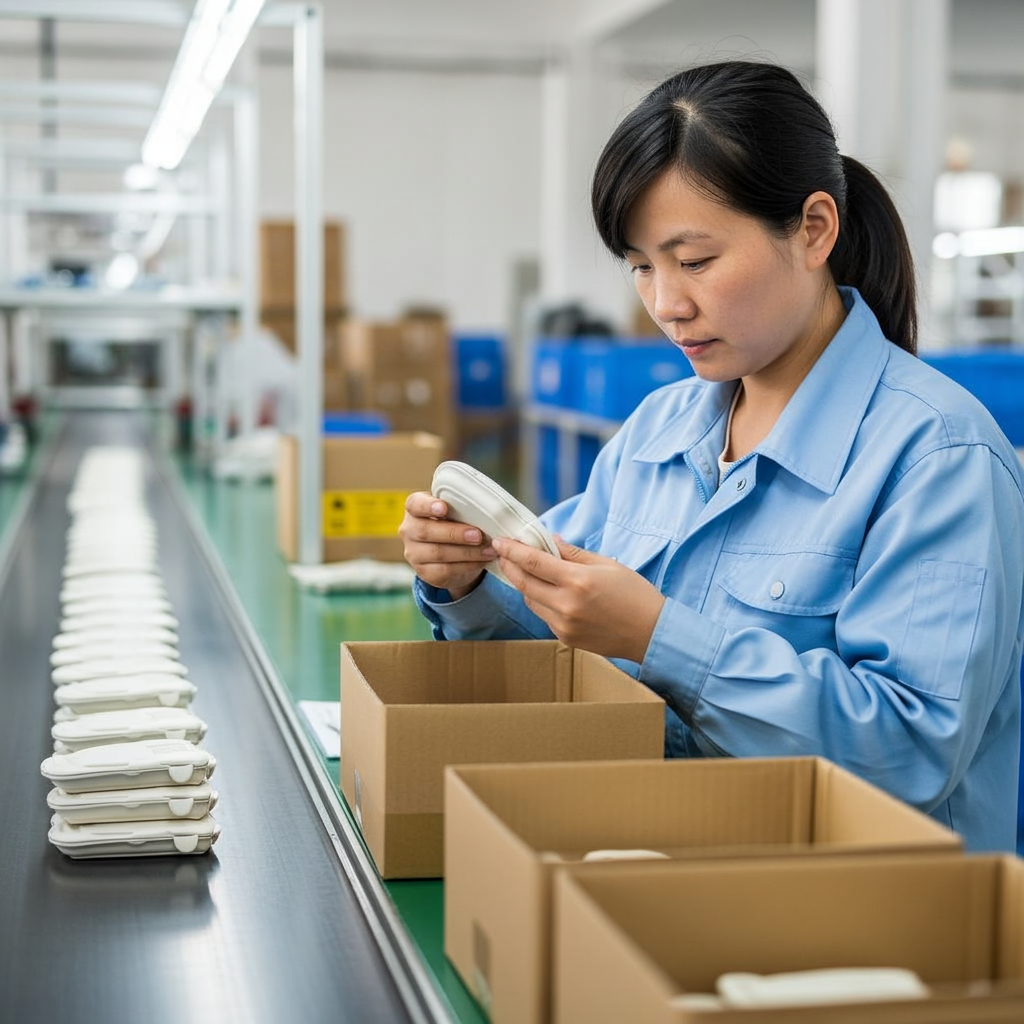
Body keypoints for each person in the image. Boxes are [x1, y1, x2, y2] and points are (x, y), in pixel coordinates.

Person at [399, 60, 1024, 852]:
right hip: (662, 865)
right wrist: (469, 582)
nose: (666, 304)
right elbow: (560, 638)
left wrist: (659, 637)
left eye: (694, 262)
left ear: (814, 230)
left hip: (867, 928)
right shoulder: (658, 431)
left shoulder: (938, 457)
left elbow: (910, 753)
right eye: (641, 267)